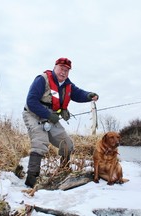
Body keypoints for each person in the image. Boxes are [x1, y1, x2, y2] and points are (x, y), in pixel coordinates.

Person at [22, 57, 99, 188]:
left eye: (67, 70)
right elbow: (31, 101)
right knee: (41, 141)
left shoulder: (67, 85)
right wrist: (48, 115)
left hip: (50, 118)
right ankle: (31, 178)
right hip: (33, 114)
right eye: (61, 69)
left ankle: (63, 171)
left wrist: (89, 96)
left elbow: (78, 93)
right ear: (55, 67)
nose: (63, 72)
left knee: (67, 145)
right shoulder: (42, 79)